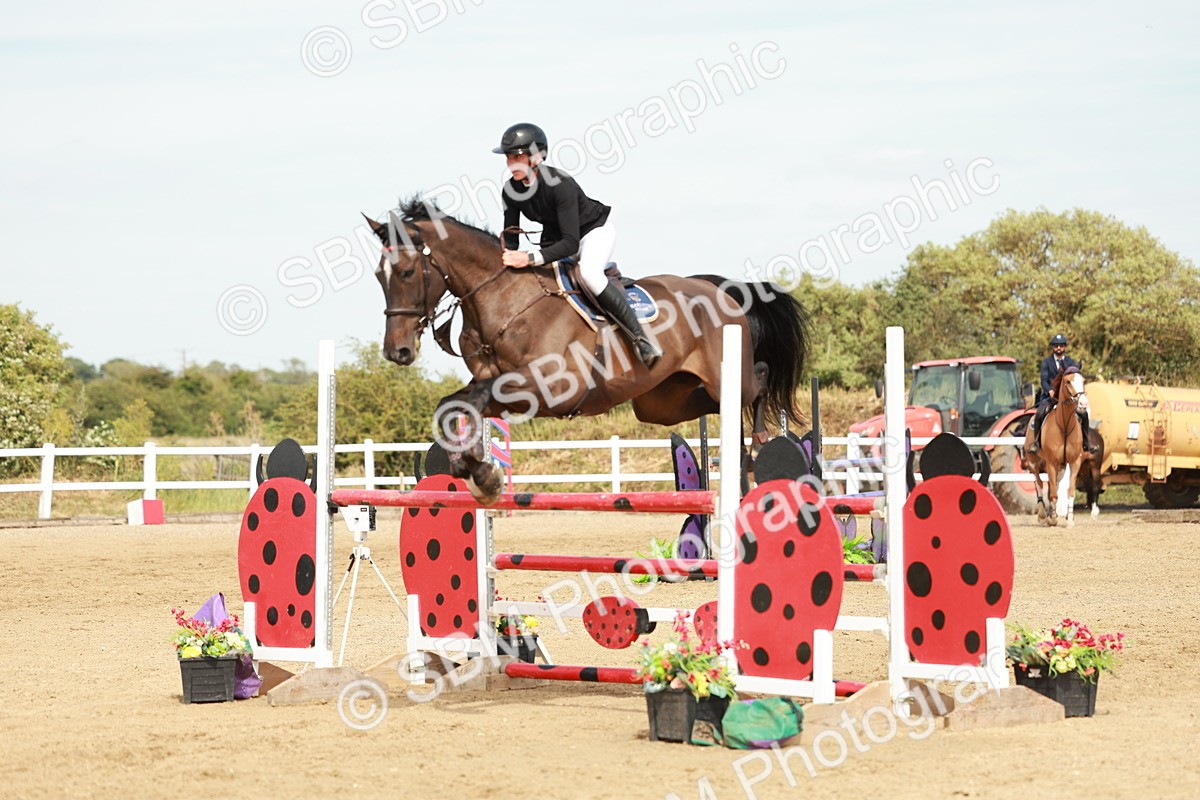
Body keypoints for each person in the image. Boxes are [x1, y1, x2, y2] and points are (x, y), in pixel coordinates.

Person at [493, 122, 662, 368]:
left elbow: (571, 244)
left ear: (536, 157)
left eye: (517, 157)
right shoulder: (511, 190)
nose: (511, 164)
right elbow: (511, 236)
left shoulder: (560, 184)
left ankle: (641, 339)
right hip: (555, 238)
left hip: (591, 233)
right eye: (509, 158)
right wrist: (506, 260)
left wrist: (529, 258)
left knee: (589, 274)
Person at [1028, 334, 1095, 454]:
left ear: (1065, 347)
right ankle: (1036, 443)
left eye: (1061, 345)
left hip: (1067, 397)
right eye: (1056, 346)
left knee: (1083, 414)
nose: (1059, 348)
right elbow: (1043, 380)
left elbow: (1075, 378)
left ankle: (1086, 442)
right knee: (1039, 414)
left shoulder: (1071, 362)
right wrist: (1050, 390)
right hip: (1051, 397)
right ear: (1053, 347)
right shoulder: (1046, 363)